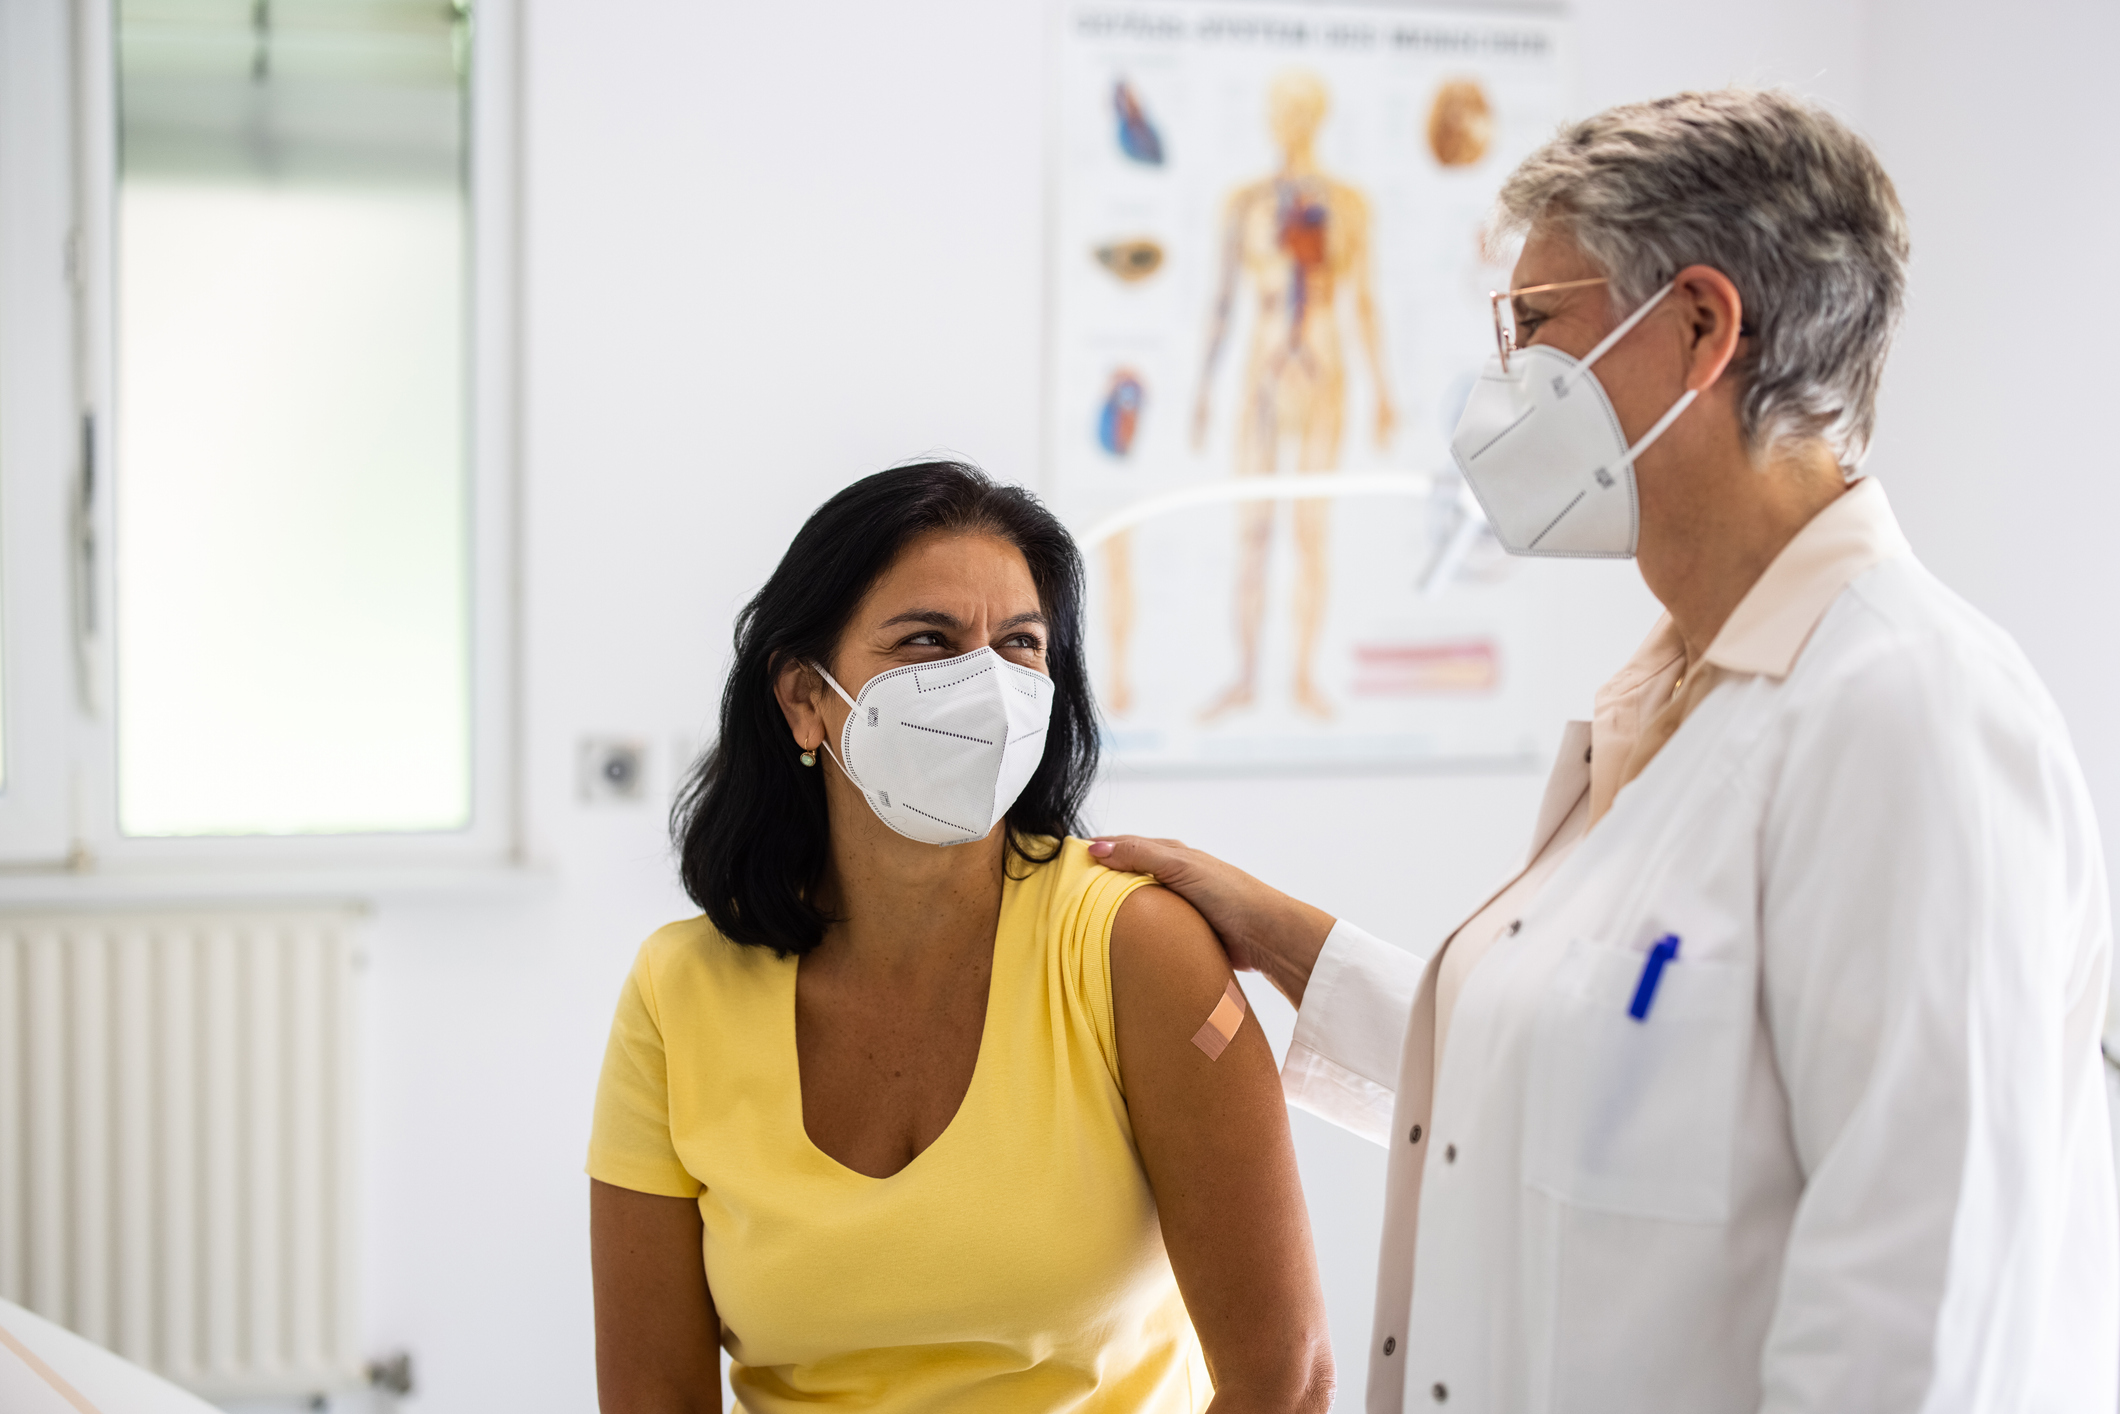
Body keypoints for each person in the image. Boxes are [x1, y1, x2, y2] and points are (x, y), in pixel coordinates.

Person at [1093, 88, 2117, 1412]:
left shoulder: (1909, 718)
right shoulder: (1678, 697)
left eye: (1534, 324)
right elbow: (1596, 1087)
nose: (1501, 379)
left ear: (1700, 326)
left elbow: (1916, 1328)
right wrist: (1279, 934)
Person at [586, 461, 1332, 1413]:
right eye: (927, 641)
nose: (983, 684)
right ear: (804, 699)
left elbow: (1287, 1379)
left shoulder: (1135, 948)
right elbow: (653, 1395)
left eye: (1020, 643)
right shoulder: (677, 989)